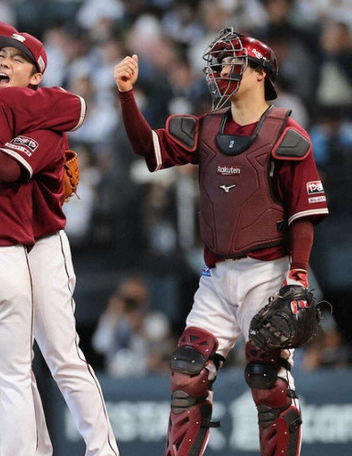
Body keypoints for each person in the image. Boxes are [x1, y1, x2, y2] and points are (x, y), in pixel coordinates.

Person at [113, 27, 329, 456]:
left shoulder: (288, 134)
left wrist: (298, 277)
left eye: (234, 64)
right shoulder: (205, 127)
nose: (222, 72)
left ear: (259, 73)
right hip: (215, 272)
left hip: (267, 272)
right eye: (221, 64)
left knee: (268, 382)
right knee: (187, 373)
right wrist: (126, 96)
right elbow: (148, 147)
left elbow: (304, 215)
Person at [0, 31, 119, 456]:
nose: (5, 63)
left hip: (41, 246)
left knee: (60, 356)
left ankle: (103, 450)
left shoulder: (43, 119)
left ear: (36, 76)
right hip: (1, 251)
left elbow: (6, 166)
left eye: (17, 58)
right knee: (16, 373)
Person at [92, 275, 173, 378]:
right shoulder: (110, 318)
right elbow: (100, 346)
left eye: (136, 298)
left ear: (145, 298)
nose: (132, 303)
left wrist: (140, 328)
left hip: (149, 375)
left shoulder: (156, 320)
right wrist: (112, 318)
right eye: (128, 298)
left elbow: (161, 347)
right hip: (118, 375)